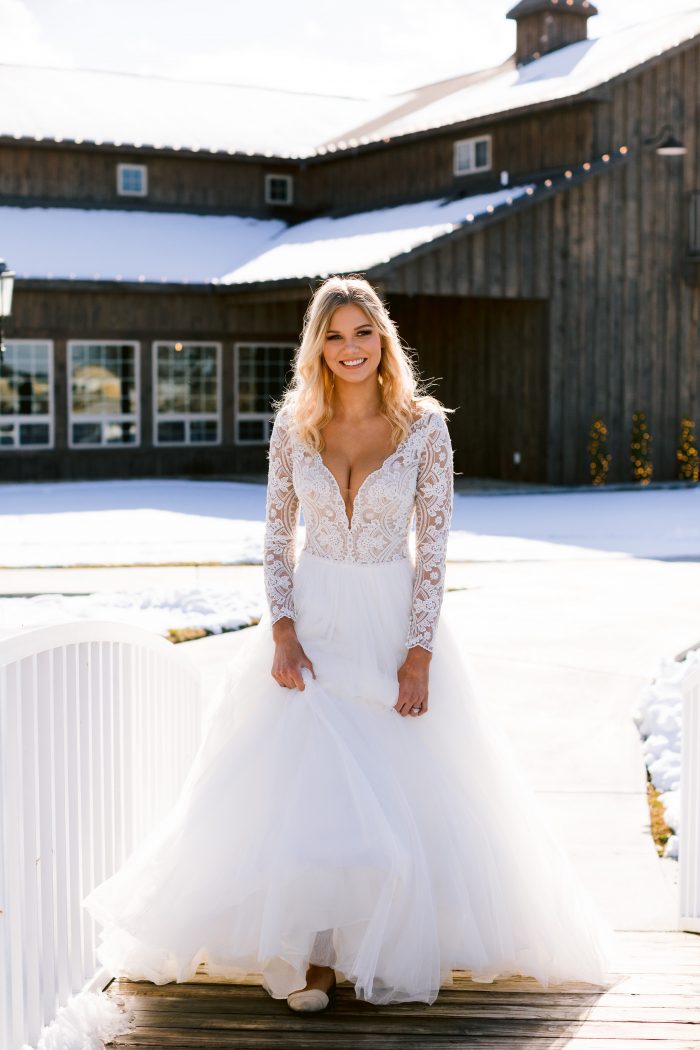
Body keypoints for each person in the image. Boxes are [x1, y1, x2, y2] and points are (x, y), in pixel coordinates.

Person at [83, 275, 617, 1013]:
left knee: (395, 788)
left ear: (383, 338)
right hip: (313, 618)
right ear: (317, 346)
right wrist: (280, 629)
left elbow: (434, 548)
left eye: (362, 332)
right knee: (301, 784)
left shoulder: (425, 427)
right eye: (333, 335)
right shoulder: (294, 426)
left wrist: (420, 650)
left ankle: (355, 950)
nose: (349, 348)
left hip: (393, 621)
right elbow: (274, 539)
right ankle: (295, 951)